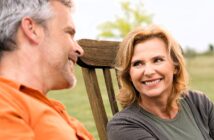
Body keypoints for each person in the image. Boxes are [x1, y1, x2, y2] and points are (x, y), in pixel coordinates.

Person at [0, 0, 94, 140]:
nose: (79, 50)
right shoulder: (6, 103)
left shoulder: (54, 111)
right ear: (32, 29)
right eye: (69, 33)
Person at [107, 25, 214, 140]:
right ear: (129, 75)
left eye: (157, 60)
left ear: (175, 66)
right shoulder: (123, 127)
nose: (148, 72)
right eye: (138, 64)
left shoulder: (198, 103)